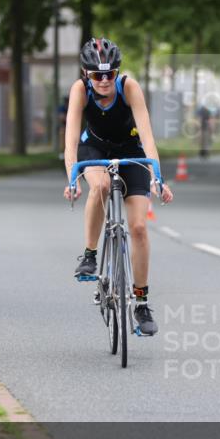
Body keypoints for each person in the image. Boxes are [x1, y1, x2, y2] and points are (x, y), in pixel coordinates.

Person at [63, 37, 174, 336]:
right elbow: (71, 141)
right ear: (87, 74)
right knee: (98, 187)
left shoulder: (129, 87)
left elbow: (148, 137)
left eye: (109, 74)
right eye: (97, 75)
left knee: (138, 228)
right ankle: (89, 255)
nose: (103, 80)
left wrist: (158, 177)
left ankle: (141, 302)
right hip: (95, 151)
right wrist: (72, 178)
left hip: (131, 152)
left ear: (117, 72)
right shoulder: (79, 90)